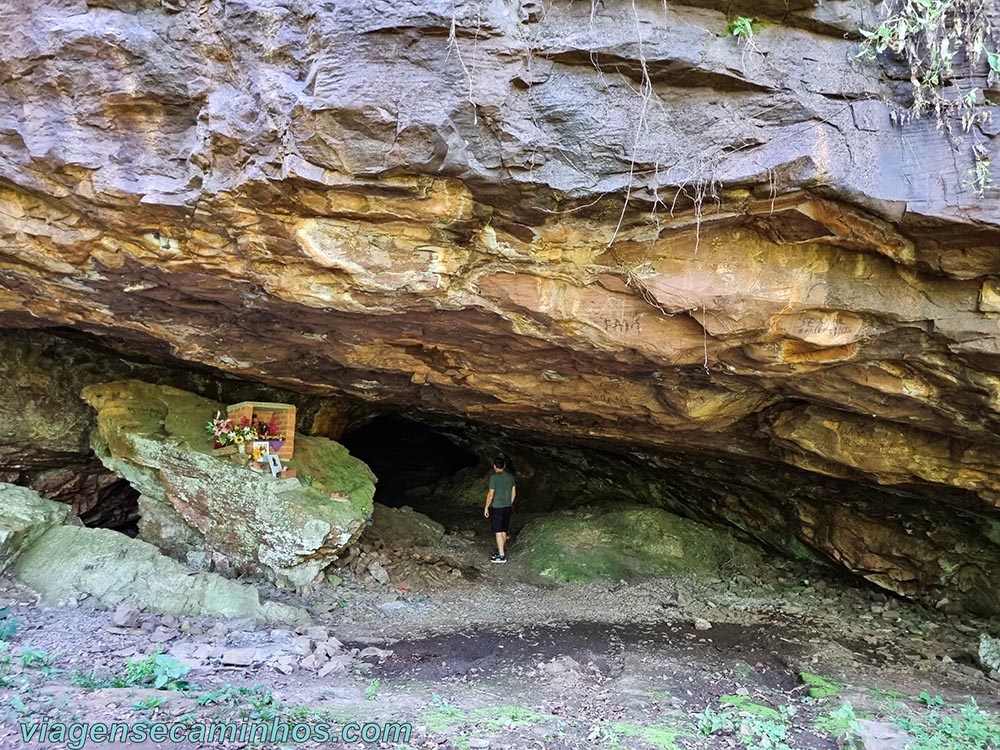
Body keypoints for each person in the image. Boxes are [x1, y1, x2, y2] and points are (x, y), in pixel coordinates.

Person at [483, 455, 515, 563]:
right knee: (504, 530)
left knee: (498, 532)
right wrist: (509, 502)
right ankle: (501, 550)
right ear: (504, 466)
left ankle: (501, 556)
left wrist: (486, 507)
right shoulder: (510, 477)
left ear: (494, 466)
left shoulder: (494, 478)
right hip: (507, 507)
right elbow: (513, 492)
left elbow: (490, 494)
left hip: (497, 507)